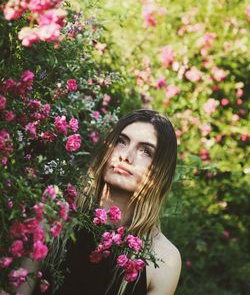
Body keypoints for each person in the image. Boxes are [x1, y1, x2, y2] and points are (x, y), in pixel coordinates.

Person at [20, 109, 181, 295]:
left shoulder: (164, 259)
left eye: (146, 151)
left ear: (161, 171)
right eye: (121, 141)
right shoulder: (55, 215)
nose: (126, 156)